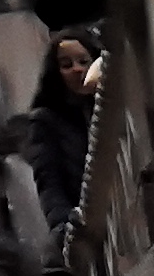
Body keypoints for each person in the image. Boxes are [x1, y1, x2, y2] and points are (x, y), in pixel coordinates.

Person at [28, 33, 102, 242]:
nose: (77, 69)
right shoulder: (45, 120)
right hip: (83, 221)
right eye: (66, 65)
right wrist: (62, 223)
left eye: (83, 61)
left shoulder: (112, 106)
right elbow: (48, 178)